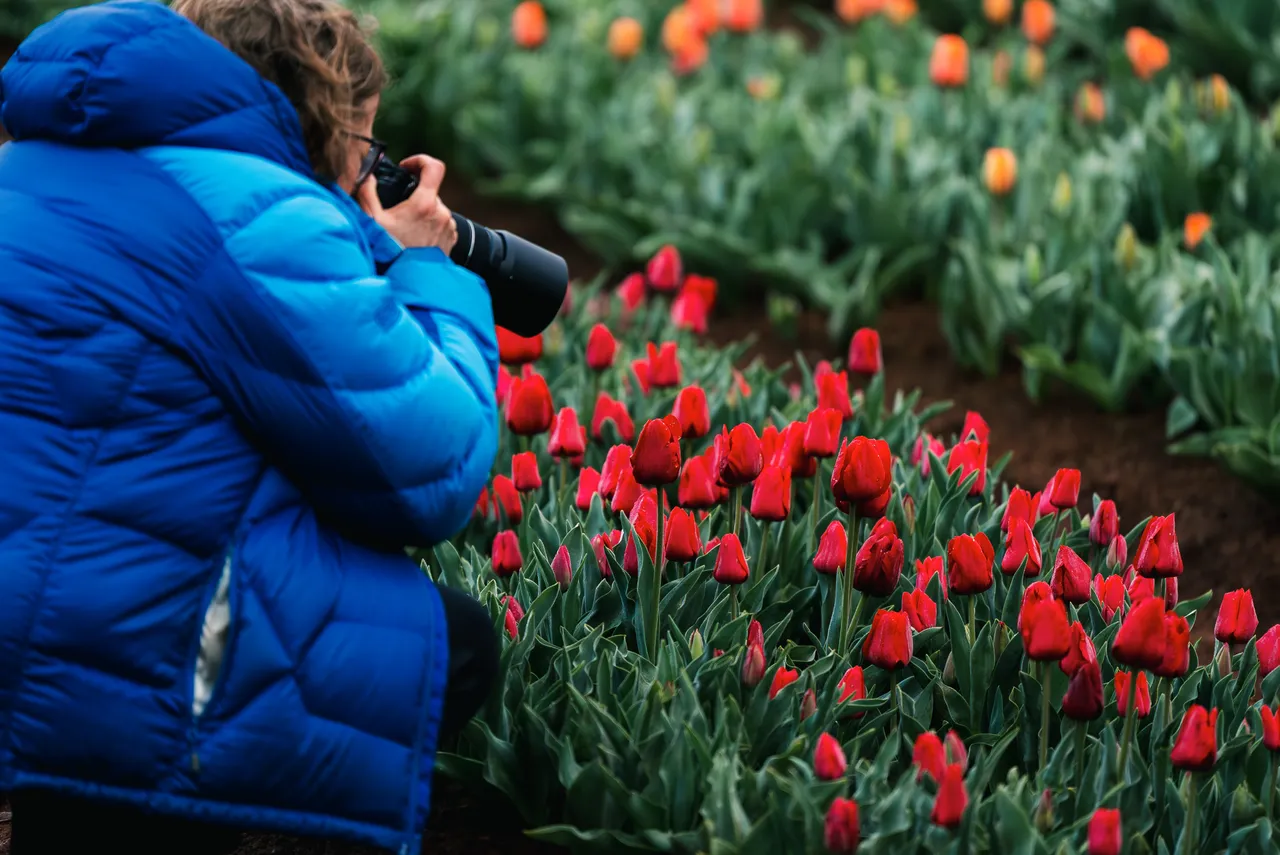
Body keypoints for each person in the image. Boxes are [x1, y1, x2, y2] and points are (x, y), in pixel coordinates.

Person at [0, 0, 501, 852]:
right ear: (323, 118)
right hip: (92, 645)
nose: (365, 174)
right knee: (450, 644)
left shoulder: (32, 164)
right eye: (367, 148)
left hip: (35, 591)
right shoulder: (258, 215)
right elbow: (434, 467)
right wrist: (424, 268)